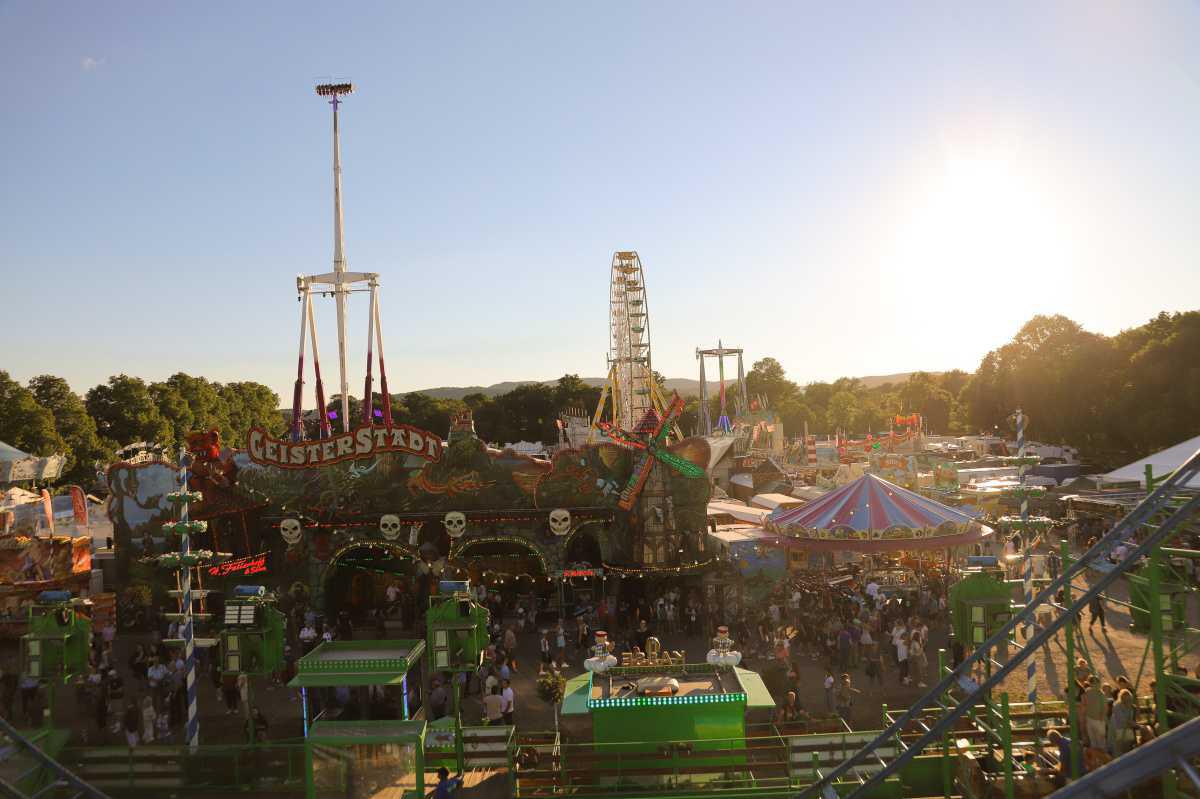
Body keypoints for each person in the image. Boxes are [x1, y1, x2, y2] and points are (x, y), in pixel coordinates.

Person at [1108, 689, 1136, 755]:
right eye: (1126, 698)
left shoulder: (1130, 706)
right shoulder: (1117, 706)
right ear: (1122, 698)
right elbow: (1122, 720)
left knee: (1128, 748)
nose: (1128, 700)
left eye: (1129, 698)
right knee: (1119, 750)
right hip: (1118, 729)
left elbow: (1130, 719)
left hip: (1127, 729)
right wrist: (1135, 725)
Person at [1083, 677, 1107, 749]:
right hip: (1089, 718)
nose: (1098, 685)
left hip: (1098, 720)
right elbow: (1085, 704)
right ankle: (1096, 757)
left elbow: (1104, 708)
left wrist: (1101, 719)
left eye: (1098, 683)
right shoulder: (1087, 692)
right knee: (1093, 740)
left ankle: (1103, 757)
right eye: (1095, 683)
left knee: (1101, 741)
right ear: (1091, 684)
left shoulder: (1101, 694)